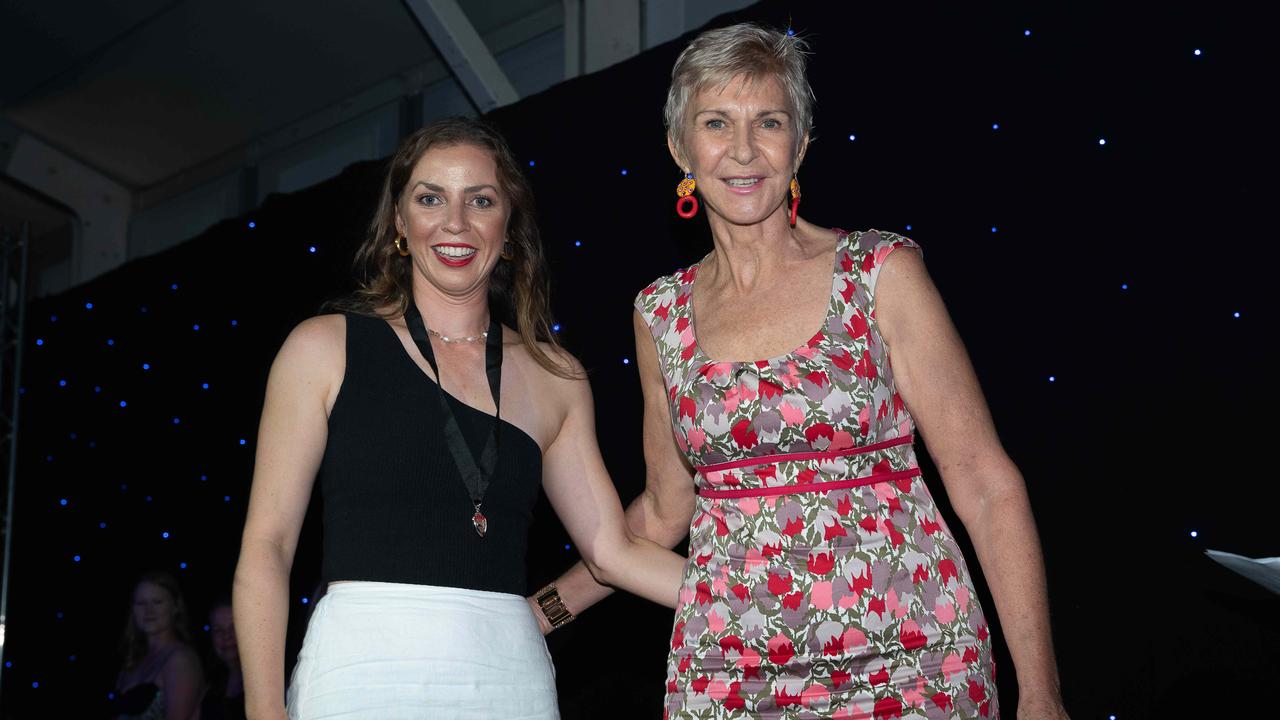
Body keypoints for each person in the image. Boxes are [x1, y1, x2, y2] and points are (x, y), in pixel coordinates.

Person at [531, 23, 1069, 719]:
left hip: (914, 663)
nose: (745, 149)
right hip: (732, 675)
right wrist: (539, 613)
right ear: (679, 149)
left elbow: (987, 485)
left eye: (770, 122)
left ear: (802, 144)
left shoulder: (878, 272)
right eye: (717, 123)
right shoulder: (659, 314)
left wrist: (1043, 693)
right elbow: (664, 511)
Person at [233, 116, 683, 720]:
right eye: (430, 198)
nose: (455, 223)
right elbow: (269, 545)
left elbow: (613, 553)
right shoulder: (324, 347)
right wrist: (264, 710)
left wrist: (766, 596)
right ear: (399, 220)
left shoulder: (557, 374)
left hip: (509, 678)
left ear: (509, 224)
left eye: (481, 200)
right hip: (360, 671)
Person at [109, 571, 204, 720]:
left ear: (175, 607)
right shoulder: (132, 661)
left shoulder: (180, 660)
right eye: (141, 603)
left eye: (157, 602)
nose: (148, 611)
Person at [200, 594, 245, 720]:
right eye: (218, 630)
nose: (227, 636)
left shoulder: (266, 681)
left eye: (234, 628)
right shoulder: (211, 681)